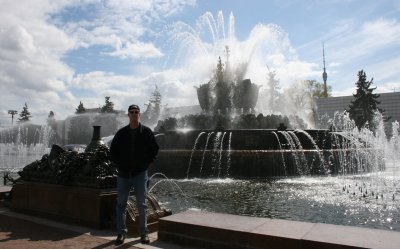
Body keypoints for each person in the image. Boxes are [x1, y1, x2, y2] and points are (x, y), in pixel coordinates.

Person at [110, 104, 159, 245]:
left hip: (140, 173)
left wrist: (147, 162)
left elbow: (154, 149)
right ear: (128, 115)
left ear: (140, 114)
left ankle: (143, 234)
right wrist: (119, 164)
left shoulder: (147, 132)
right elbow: (113, 151)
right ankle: (121, 233)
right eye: (132, 112)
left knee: (142, 205)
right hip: (123, 174)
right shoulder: (121, 133)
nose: (134, 114)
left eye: (137, 112)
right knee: (121, 204)